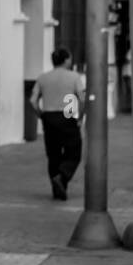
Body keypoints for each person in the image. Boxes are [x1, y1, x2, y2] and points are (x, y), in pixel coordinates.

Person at [30, 47, 85, 200]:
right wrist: (80, 117)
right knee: (74, 152)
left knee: (53, 154)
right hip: (67, 115)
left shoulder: (43, 78)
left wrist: (41, 116)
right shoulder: (73, 77)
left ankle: (57, 188)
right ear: (66, 60)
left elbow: (33, 101)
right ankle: (62, 176)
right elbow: (82, 98)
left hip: (49, 117)